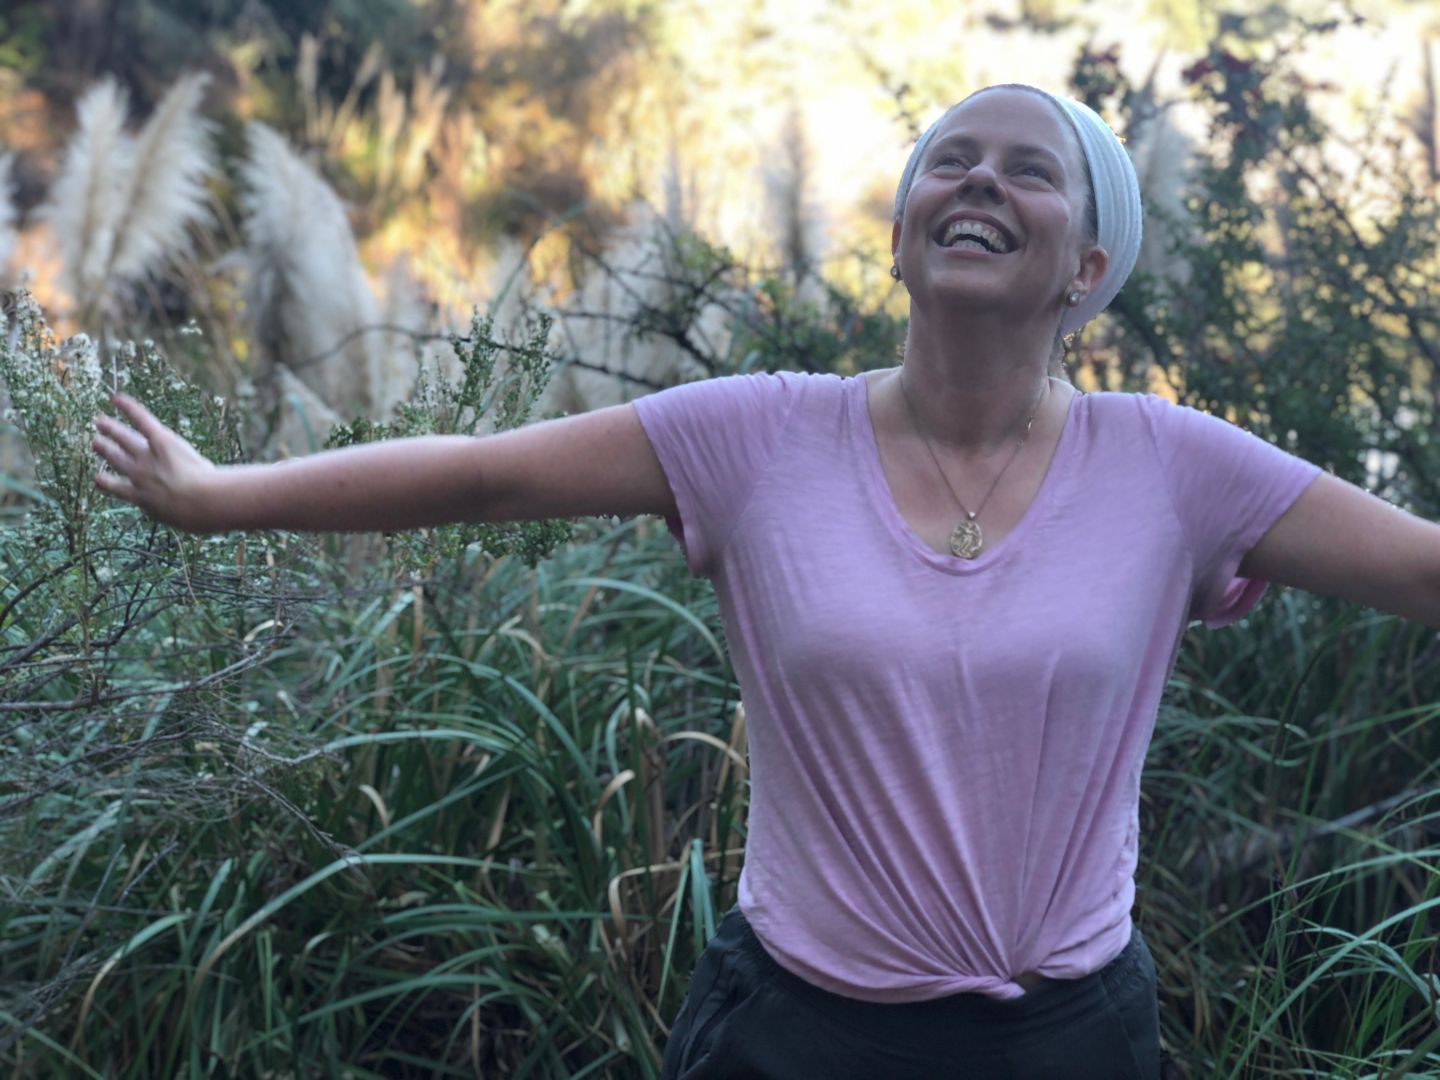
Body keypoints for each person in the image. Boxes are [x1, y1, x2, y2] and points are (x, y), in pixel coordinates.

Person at [91, 83, 1440, 1078]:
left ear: (1088, 268)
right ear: (901, 239)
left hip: (1071, 1038)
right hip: (798, 1034)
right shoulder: (760, 435)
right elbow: (484, 476)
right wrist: (218, 495)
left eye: (1028, 171)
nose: (979, 181)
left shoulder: (1174, 468)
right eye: (949, 162)